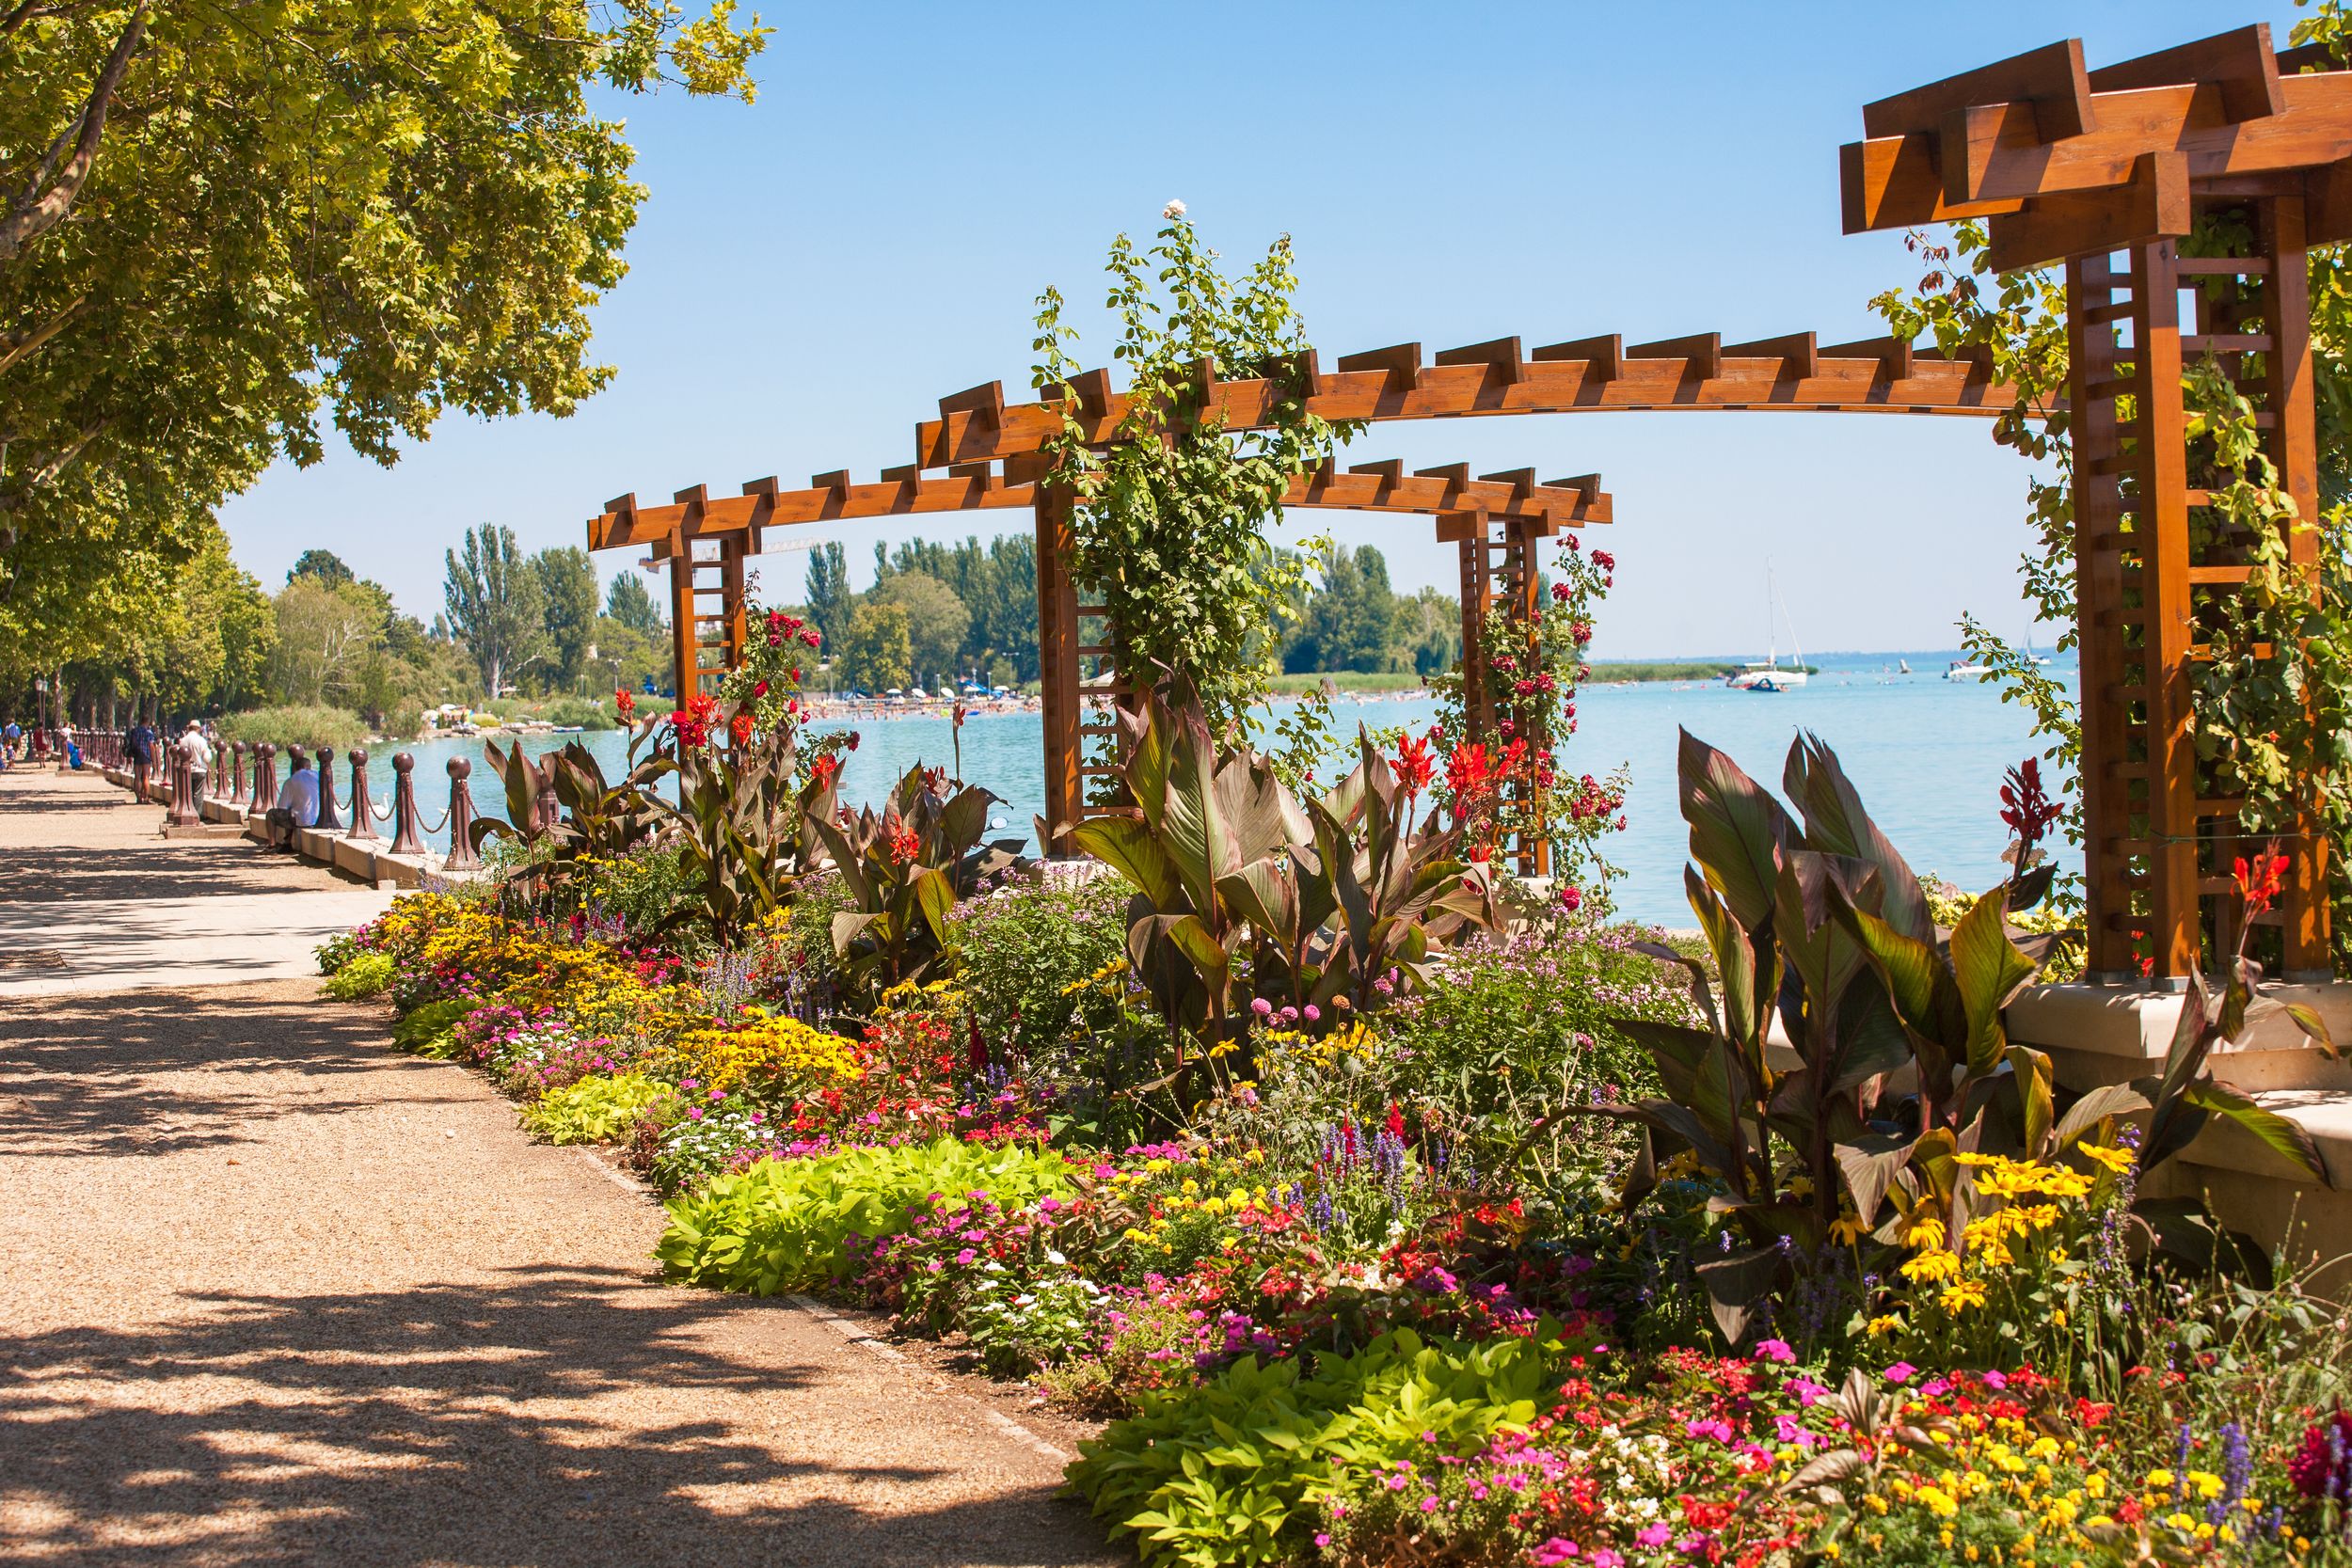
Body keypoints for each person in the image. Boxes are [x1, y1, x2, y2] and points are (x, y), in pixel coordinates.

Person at [264, 752, 320, 849]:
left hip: (301, 821)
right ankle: (287, 841)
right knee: (292, 810)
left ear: (295, 767)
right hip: (317, 819)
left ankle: (272, 844)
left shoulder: (290, 781)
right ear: (309, 766)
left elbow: (282, 806)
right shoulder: (318, 776)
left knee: (271, 814)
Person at [177, 720, 213, 803]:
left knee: (188, 794)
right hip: (199, 770)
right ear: (198, 729)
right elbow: (207, 758)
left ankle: (189, 809)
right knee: (198, 795)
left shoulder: (183, 741)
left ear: (189, 728)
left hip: (187, 771)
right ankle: (197, 811)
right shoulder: (201, 740)